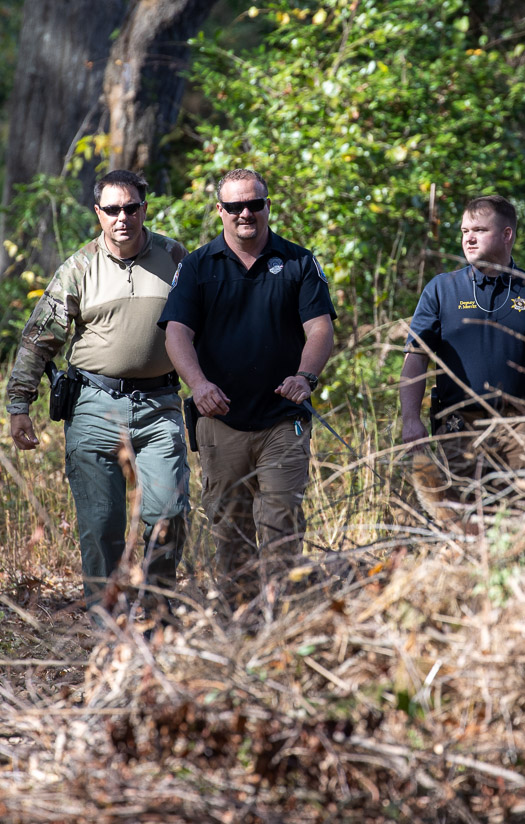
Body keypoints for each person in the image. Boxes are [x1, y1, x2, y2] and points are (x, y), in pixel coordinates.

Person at [6, 170, 189, 621]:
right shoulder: (79, 267)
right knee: (101, 522)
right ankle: (107, 621)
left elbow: (204, 323)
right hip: (94, 405)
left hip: (160, 405)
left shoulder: (174, 257)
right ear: (98, 213)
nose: (122, 217)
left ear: (144, 209)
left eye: (131, 208)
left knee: (168, 512)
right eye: (112, 209)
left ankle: (158, 612)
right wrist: (19, 404)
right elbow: (39, 338)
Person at [159, 169, 336, 604]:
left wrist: (304, 376)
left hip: (283, 418)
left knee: (281, 523)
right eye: (235, 206)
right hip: (220, 419)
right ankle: (240, 619)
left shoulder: (298, 262)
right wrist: (198, 385)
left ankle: (281, 616)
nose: (245, 213)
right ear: (220, 210)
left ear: (267, 207)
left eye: (254, 204)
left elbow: (319, 329)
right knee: (229, 530)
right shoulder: (197, 266)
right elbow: (176, 333)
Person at [400, 194, 525, 527]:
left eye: (479, 230)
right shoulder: (441, 289)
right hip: (459, 428)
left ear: (506, 234)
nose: (468, 239)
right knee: (463, 524)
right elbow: (415, 359)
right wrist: (410, 419)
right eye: (464, 231)